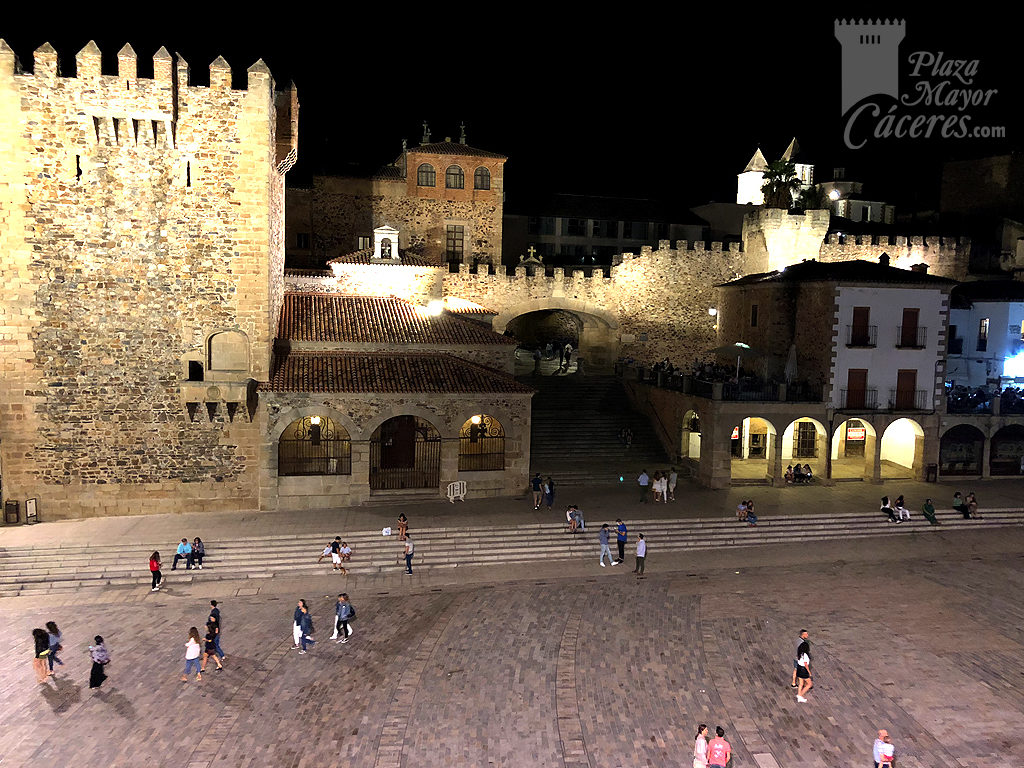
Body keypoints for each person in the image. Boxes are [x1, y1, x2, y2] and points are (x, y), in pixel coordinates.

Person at [796, 628, 813, 702]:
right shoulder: (805, 655)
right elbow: (806, 664)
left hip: (799, 669)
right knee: (809, 684)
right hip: (803, 670)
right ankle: (800, 695)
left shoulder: (800, 654)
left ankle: (799, 694)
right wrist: (809, 672)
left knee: (800, 683)